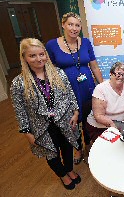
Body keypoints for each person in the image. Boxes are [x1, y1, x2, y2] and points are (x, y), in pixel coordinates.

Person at [10, 38, 81, 190]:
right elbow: (20, 110)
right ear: (24, 58)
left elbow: (70, 94)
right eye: (32, 56)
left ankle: (69, 169)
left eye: (41, 54)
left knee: (67, 146)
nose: (38, 59)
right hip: (41, 126)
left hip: (64, 119)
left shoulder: (58, 73)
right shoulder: (18, 83)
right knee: (51, 152)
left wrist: (75, 112)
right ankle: (63, 174)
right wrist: (26, 132)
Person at [46, 12, 103, 164]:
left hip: (87, 88)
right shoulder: (52, 45)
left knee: (88, 118)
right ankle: (77, 149)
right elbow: (49, 70)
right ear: (63, 24)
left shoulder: (85, 42)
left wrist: (103, 86)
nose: (74, 28)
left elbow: (94, 66)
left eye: (77, 25)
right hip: (67, 91)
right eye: (70, 24)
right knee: (72, 122)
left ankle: (89, 144)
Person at [86, 62, 124, 142]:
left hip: (123, 124)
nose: (121, 77)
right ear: (111, 74)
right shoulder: (100, 89)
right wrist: (114, 125)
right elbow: (98, 116)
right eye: (118, 74)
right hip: (101, 127)